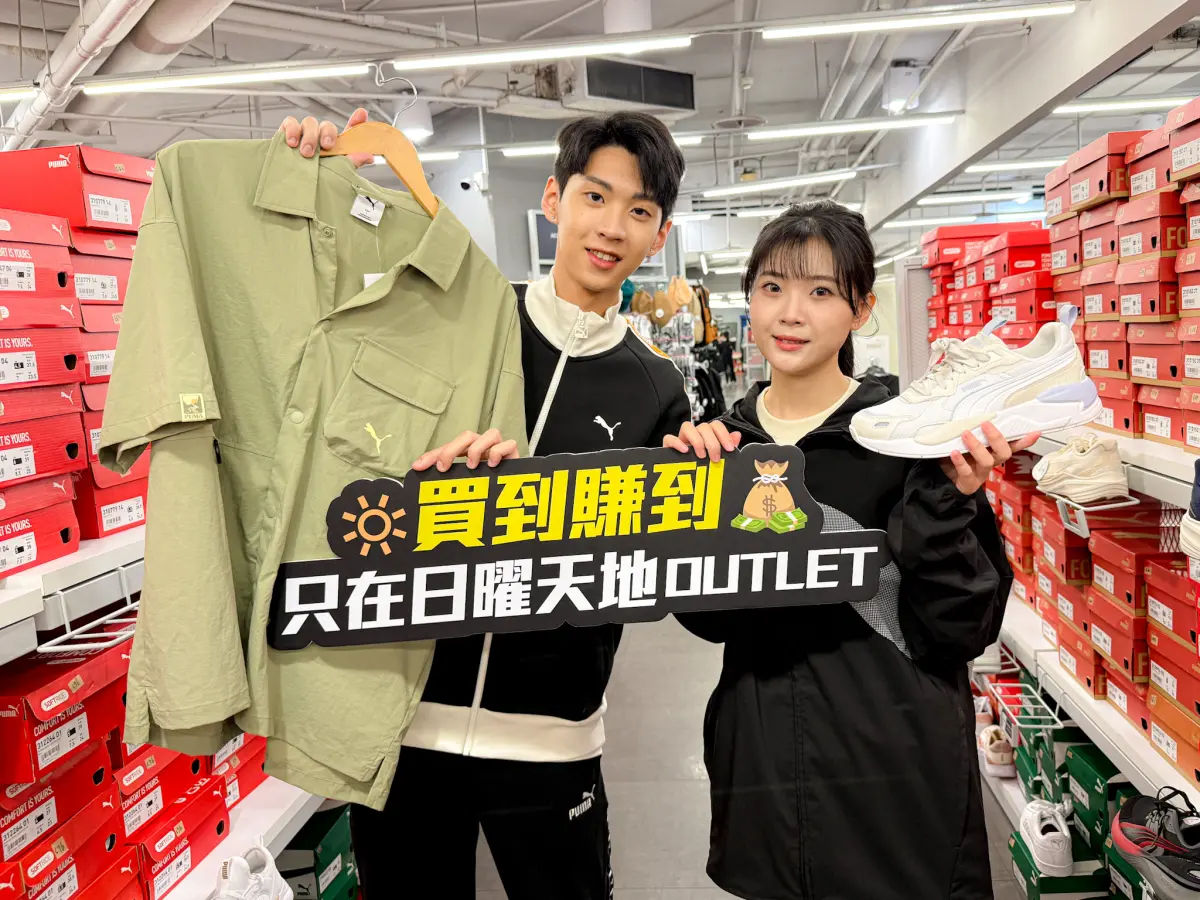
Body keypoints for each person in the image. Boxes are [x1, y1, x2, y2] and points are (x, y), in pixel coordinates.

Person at [281, 108, 691, 899]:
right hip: (407, 722)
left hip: (553, 738)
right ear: (553, 199)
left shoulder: (656, 387)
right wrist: (320, 181)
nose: (611, 227)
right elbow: (333, 387)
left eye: (638, 210)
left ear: (659, 234)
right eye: (595, 197)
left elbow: (648, 573)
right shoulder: (458, 317)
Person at [663, 200, 1033, 900]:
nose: (790, 313)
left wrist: (946, 503)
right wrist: (688, 503)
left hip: (895, 779)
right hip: (765, 776)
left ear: (861, 309)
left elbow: (961, 629)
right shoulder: (724, 448)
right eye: (773, 287)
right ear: (750, 299)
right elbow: (708, 621)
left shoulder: (910, 439)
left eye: (821, 292)